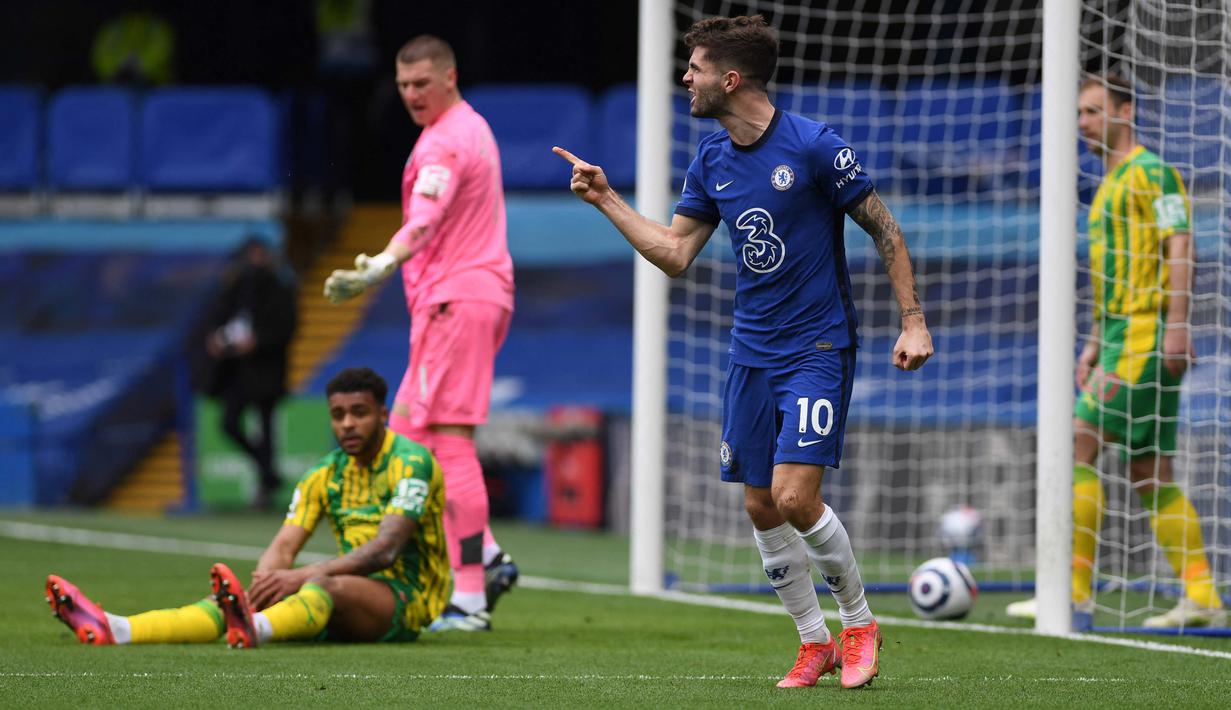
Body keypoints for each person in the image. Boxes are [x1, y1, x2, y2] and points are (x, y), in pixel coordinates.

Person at [554, 15, 933, 690]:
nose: (685, 79)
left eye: (694, 68)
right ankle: (811, 642)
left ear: (729, 79)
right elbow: (673, 254)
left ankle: (859, 624)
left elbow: (884, 229)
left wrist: (912, 321)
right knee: (759, 504)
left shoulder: (814, 147)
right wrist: (605, 199)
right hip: (749, 354)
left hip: (816, 346)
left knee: (792, 496)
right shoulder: (710, 158)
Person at [1006, 74, 1224, 630]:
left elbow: (1181, 244)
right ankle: (1201, 593)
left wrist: (1177, 324)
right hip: (1121, 338)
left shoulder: (1152, 173)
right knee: (1150, 472)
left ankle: (1070, 593)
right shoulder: (1107, 184)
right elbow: (1111, 277)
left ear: (1127, 111)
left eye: (1094, 111)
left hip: (1147, 335)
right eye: (1079, 113)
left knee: (1077, 443)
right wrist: (1095, 345)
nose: (1083, 123)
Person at [322, 35, 518, 631]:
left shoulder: (446, 142)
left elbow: (425, 220)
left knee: (450, 441)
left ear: (449, 78)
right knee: (407, 432)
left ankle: (469, 597)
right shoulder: (469, 127)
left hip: (457, 301)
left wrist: (380, 265)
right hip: (456, 300)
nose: (411, 95)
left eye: (421, 84)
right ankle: (485, 554)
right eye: (403, 86)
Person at [45, 367, 450, 647]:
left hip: (403, 601)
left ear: (383, 413)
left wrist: (300, 577)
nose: (347, 424)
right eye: (338, 415)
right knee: (240, 600)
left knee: (319, 584)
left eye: (359, 413)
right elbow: (285, 544)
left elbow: (386, 548)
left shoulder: (412, 462)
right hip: (343, 596)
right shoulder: (324, 474)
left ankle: (254, 627)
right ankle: (118, 628)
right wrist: (264, 582)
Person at [205, 238, 298, 510]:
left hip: (266, 371)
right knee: (229, 423)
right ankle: (268, 472)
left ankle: (265, 487)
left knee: (266, 428)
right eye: (252, 255)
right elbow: (216, 317)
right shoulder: (235, 286)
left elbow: (287, 328)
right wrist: (216, 338)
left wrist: (259, 341)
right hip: (236, 369)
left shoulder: (279, 287)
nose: (256, 260)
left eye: (260, 255)